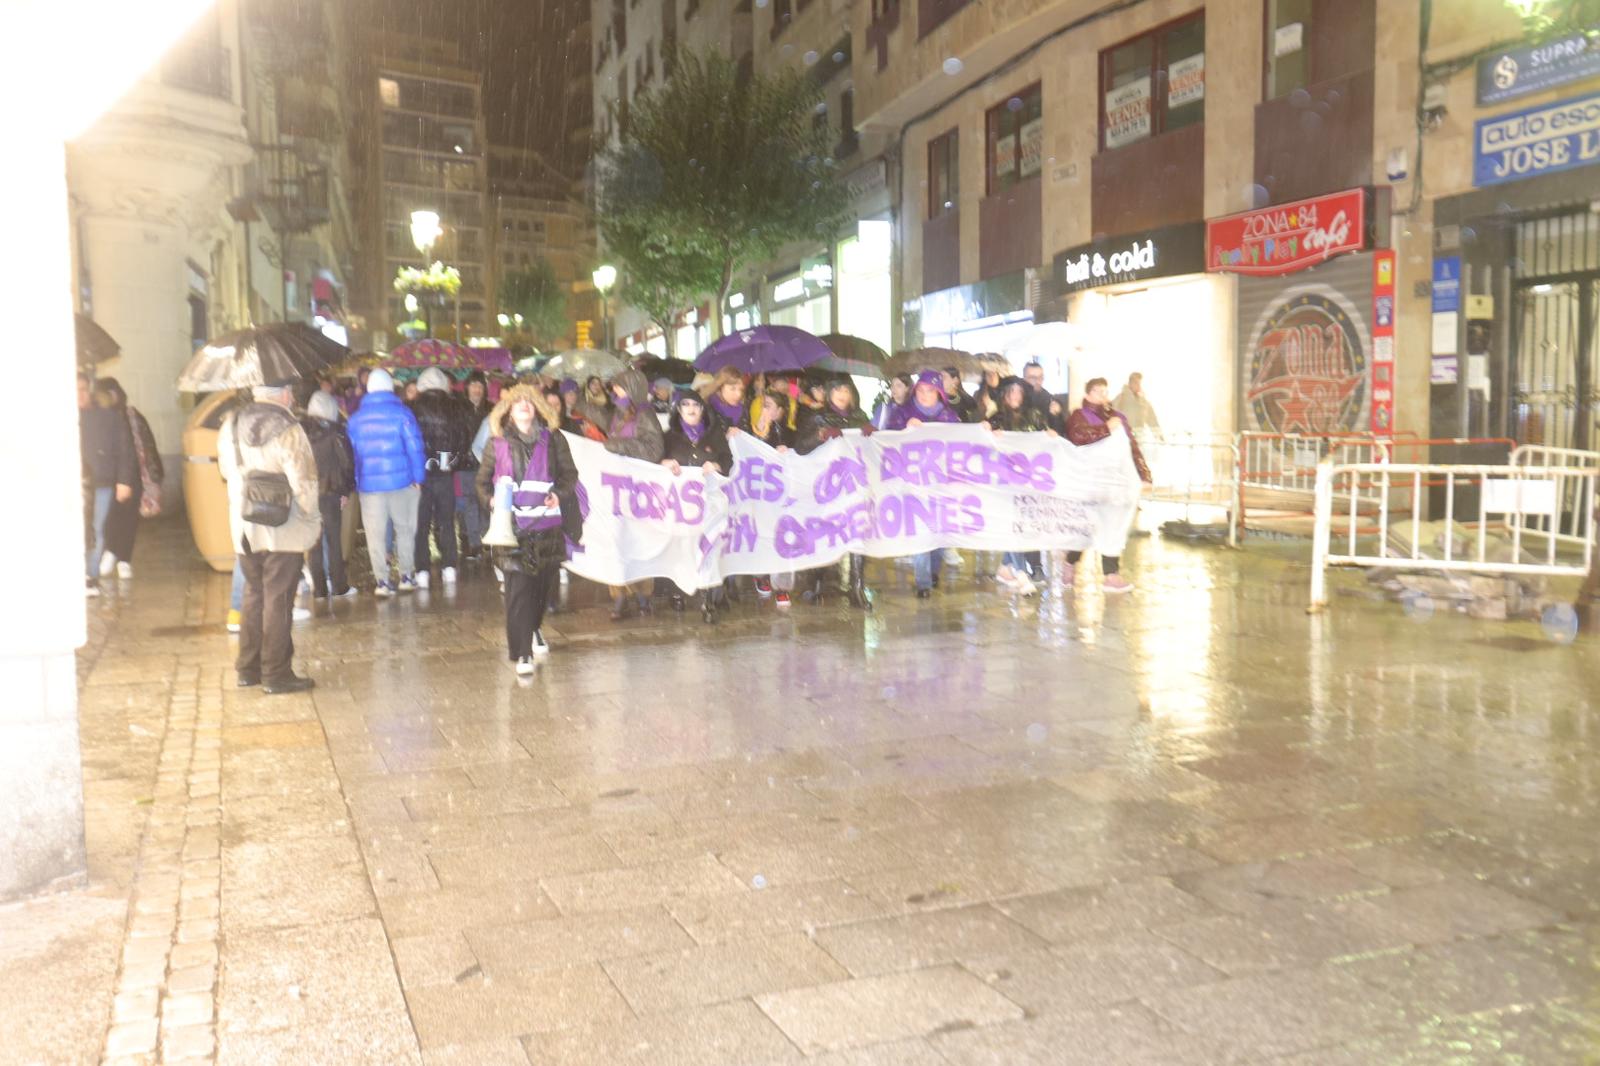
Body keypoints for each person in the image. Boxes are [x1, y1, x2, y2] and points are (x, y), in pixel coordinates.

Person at [217, 381, 320, 694]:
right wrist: (311, 516)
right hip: (283, 525)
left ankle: (248, 668)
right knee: (279, 596)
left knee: (254, 592)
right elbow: (304, 481)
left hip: (244, 523)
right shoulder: (288, 427)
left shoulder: (231, 424)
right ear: (286, 394)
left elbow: (225, 469)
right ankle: (276, 672)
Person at [476, 385, 583, 674]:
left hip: (547, 527)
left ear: (537, 408)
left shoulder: (554, 439)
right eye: (517, 402)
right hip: (511, 530)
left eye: (529, 402)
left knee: (542, 590)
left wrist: (559, 494)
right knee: (518, 591)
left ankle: (534, 628)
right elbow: (482, 483)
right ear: (508, 410)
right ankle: (522, 652)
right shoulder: (496, 444)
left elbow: (569, 475)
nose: (524, 405)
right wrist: (491, 499)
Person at [587, 369, 664, 619]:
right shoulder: (618, 414)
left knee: (638, 542)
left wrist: (617, 445)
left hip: (639, 491)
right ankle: (619, 595)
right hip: (616, 488)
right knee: (615, 542)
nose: (614, 392)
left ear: (631, 388)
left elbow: (654, 450)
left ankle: (643, 595)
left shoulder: (645, 414)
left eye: (619, 388)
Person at [1064, 377, 1152, 594]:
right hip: (1088, 484)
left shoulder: (1118, 418)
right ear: (1087, 395)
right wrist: (1105, 428)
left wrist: (1144, 474)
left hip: (1114, 485)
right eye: (1097, 391)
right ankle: (1070, 562)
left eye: (1105, 391)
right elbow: (1078, 437)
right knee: (1086, 529)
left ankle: (1111, 575)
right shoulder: (1078, 416)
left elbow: (1132, 447)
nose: (1102, 395)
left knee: (1113, 527)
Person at [795, 377, 874, 610]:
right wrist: (819, 436)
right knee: (825, 531)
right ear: (828, 393)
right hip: (827, 487)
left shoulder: (860, 417)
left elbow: (873, 450)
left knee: (858, 532)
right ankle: (817, 582)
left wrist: (873, 436)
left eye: (846, 389)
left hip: (856, 486)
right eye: (837, 389)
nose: (841, 393)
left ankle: (857, 586)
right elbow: (800, 446)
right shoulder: (817, 417)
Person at [347, 368, 426, 596]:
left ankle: (382, 581)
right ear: (391, 388)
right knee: (404, 529)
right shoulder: (403, 414)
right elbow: (415, 448)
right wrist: (418, 478)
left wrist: (356, 480)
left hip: (370, 487)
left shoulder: (355, 420)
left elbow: (350, 455)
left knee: (375, 534)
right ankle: (406, 576)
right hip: (402, 482)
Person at [886, 371, 962, 598]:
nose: (925, 395)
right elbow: (887, 440)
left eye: (930, 391)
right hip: (913, 484)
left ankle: (934, 570)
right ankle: (922, 581)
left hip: (941, 484)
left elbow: (963, 442)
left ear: (938, 393)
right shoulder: (902, 413)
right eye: (921, 390)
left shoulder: (949, 417)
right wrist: (904, 430)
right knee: (920, 529)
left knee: (938, 530)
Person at [661, 392, 731, 622]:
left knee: (708, 548)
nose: (691, 409)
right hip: (680, 507)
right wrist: (664, 463)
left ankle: (708, 601)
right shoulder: (669, 437)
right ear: (678, 410)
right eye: (685, 405)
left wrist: (718, 464)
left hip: (709, 503)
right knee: (682, 548)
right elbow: (654, 460)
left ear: (703, 409)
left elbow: (729, 462)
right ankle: (678, 590)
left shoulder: (714, 436)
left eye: (695, 405)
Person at [94, 378, 162, 581]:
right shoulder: (97, 417)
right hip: (106, 478)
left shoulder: (132, 415)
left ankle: (124, 559)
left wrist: (154, 474)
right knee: (109, 519)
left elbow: (148, 445)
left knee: (129, 519)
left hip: (133, 478)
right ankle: (112, 552)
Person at [410, 367, 473, 589]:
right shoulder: (454, 407)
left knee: (421, 523)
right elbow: (464, 439)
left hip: (420, 475)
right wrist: (452, 462)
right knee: (446, 521)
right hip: (445, 473)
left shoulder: (413, 408)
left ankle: (423, 570)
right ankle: (448, 567)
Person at [985, 377, 1049, 596]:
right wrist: (987, 431)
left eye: (1019, 392)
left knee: (1022, 527)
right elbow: (980, 443)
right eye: (1010, 391)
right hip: (1004, 484)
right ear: (1004, 395)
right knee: (1013, 529)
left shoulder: (1035, 416)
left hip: (1028, 483)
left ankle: (1005, 568)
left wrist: (1051, 434)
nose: (1015, 396)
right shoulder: (997, 418)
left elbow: (1046, 440)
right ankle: (1022, 575)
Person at [79, 373, 136, 596]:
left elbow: (124, 450)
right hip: (75, 482)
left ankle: (90, 575)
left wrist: (124, 480)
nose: (80, 394)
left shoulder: (107, 417)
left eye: (83, 389)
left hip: (101, 482)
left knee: (97, 529)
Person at [302, 391, 355, 599]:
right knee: (334, 541)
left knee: (314, 543)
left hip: (307, 494)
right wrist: (345, 490)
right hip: (331, 493)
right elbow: (347, 464)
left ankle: (319, 589)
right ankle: (339, 585)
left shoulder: (300, 431)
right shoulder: (337, 432)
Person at [456, 372, 492, 560]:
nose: (477, 389)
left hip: (487, 463)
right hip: (466, 463)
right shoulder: (459, 409)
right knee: (470, 501)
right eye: (474, 385)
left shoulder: (490, 409)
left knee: (485, 501)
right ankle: (474, 543)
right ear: (467, 387)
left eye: (480, 386)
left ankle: (487, 538)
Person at [1113, 372, 1161, 437]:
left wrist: (1158, 435)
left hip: (1140, 436)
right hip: (1124, 436)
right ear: (1130, 383)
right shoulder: (1121, 398)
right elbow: (1110, 413)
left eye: (1139, 383)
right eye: (1135, 383)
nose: (1138, 386)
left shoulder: (1144, 402)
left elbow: (1152, 419)